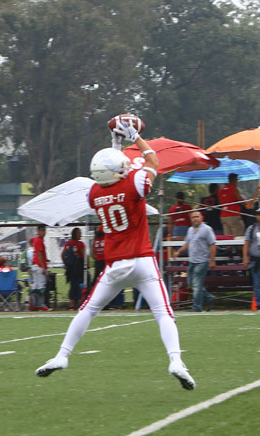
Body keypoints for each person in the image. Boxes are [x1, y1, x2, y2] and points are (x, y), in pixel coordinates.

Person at [36, 118, 196, 390]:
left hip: (114, 265)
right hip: (142, 260)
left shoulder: (95, 193)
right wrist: (136, 137)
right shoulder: (133, 183)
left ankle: (62, 355)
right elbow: (152, 163)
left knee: (87, 311)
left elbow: (111, 172)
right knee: (163, 313)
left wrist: (115, 144)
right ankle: (175, 361)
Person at [173, 211, 216, 312]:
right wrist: (178, 252)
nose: (195, 219)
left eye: (197, 217)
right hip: (192, 261)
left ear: (202, 218)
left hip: (202, 261)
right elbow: (187, 243)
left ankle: (197, 306)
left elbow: (213, 244)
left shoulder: (207, 229)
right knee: (191, 283)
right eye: (193, 217)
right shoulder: (190, 230)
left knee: (196, 284)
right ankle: (209, 297)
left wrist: (212, 260)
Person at [62, 227, 85, 310]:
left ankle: (71, 303)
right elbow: (83, 256)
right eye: (79, 233)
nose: (80, 235)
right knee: (79, 285)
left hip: (70, 268)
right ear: (75, 234)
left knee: (72, 285)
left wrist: (66, 263)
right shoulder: (80, 244)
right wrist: (86, 265)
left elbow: (63, 254)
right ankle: (79, 302)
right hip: (78, 268)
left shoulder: (67, 244)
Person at [30, 224, 51, 311]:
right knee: (41, 287)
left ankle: (35, 304)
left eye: (44, 230)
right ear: (38, 231)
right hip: (39, 266)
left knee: (36, 286)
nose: (43, 232)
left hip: (36, 265)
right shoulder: (38, 240)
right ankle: (40, 304)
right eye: (42, 230)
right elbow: (39, 254)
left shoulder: (37, 240)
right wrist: (43, 267)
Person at [218, 173, 245, 237]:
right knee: (239, 237)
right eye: (237, 180)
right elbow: (243, 202)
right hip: (234, 215)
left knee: (228, 238)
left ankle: (228, 247)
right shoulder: (235, 189)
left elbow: (220, 202)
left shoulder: (220, 190)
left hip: (223, 216)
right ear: (234, 180)